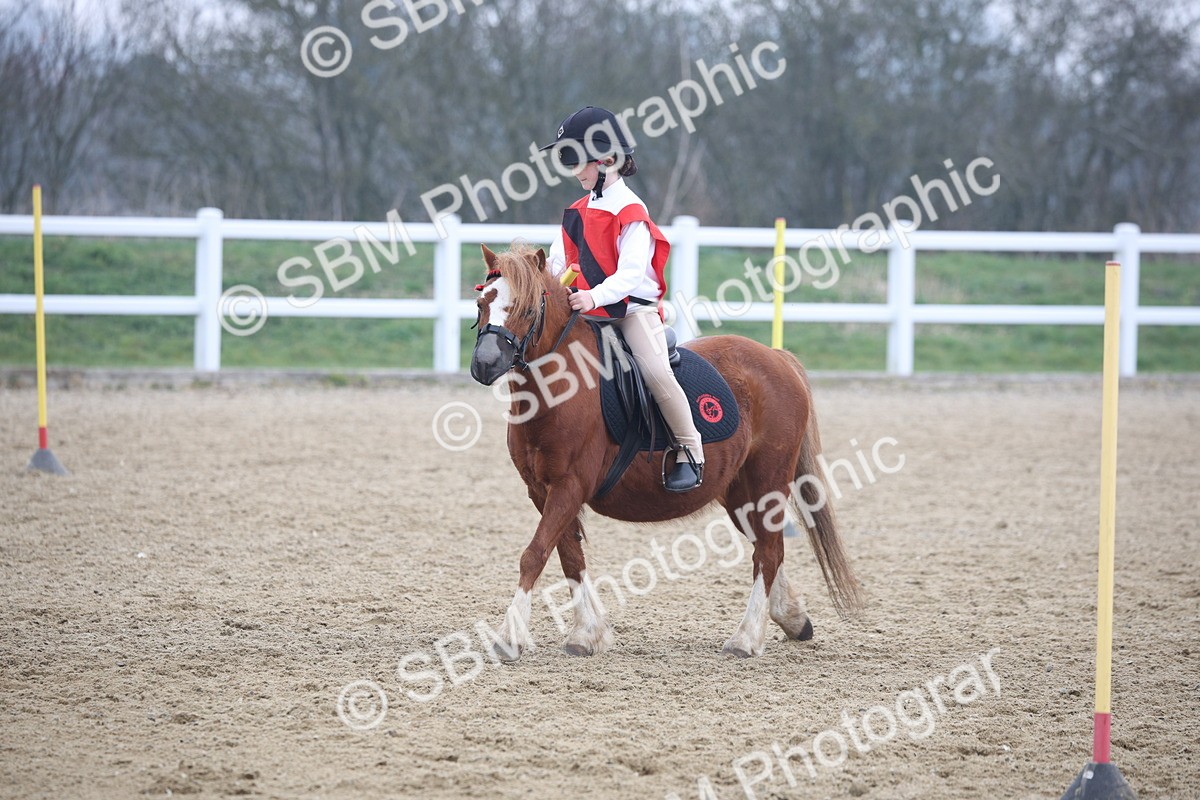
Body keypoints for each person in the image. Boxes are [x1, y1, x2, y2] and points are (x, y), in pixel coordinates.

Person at [540, 106, 704, 492]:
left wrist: (591, 295)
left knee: (655, 371)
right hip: (589, 311)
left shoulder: (631, 210)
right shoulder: (577, 211)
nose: (574, 171)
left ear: (608, 160)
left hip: (631, 312)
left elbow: (631, 275)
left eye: (576, 160)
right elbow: (557, 260)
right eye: (568, 160)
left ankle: (690, 449)